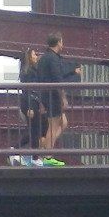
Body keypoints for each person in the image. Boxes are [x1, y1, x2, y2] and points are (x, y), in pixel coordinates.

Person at [37, 32, 79, 161]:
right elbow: (57, 79)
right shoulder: (54, 59)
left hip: (45, 94)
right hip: (53, 95)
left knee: (63, 122)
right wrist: (63, 97)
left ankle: (46, 146)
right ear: (58, 42)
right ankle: (48, 156)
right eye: (62, 41)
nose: (62, 44)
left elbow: (49, 76)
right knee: (53, 125)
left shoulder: (44, 58)